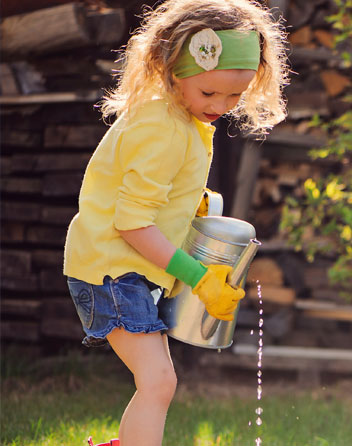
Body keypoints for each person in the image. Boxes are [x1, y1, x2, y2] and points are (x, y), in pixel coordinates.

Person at [62, 0, 288, 445]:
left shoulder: (181, 118)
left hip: (126, 269)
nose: (221, 106)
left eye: (234, 96)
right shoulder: (162, 127)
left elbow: (155, 189)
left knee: (158, 383)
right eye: (210, 94)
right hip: (112, 270)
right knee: (159, 383)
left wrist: (197, 204)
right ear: (173, 70)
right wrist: (199, 278)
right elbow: (132, 223)